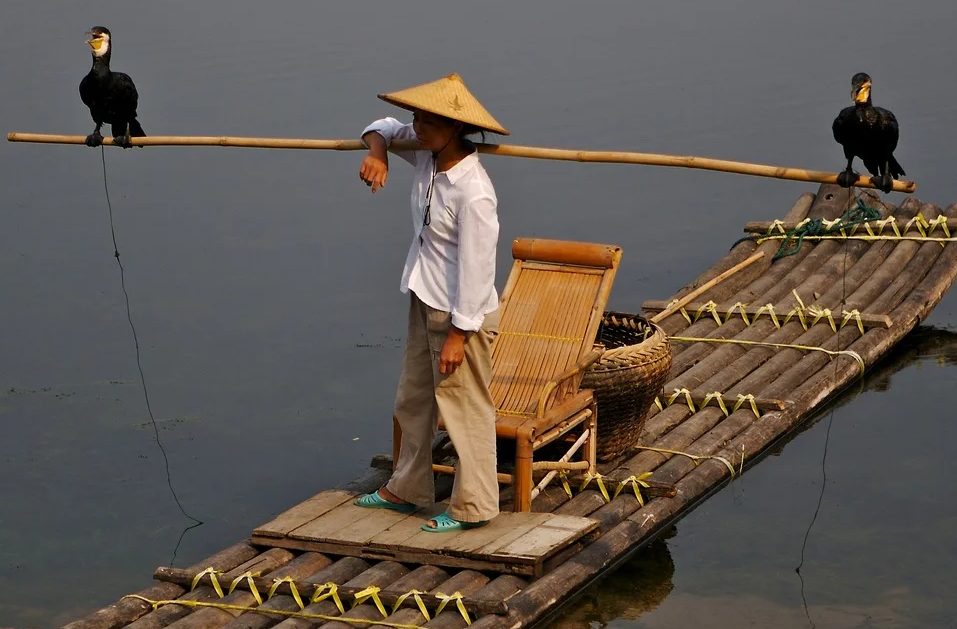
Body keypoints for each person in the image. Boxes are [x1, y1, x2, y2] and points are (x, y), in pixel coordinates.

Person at [353, 73, 509, 532]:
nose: (416, 126)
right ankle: (407, 488)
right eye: (416, 117)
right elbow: (380, 126)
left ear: (455, 128)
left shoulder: (474, 191)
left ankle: (474, 506)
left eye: (426, 120)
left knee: (463, 406)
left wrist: (459, 334)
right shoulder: (427, 154)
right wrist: (377, 154)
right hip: (425, 297)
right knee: (414, 396)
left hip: (460, 312)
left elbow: (480, 271)